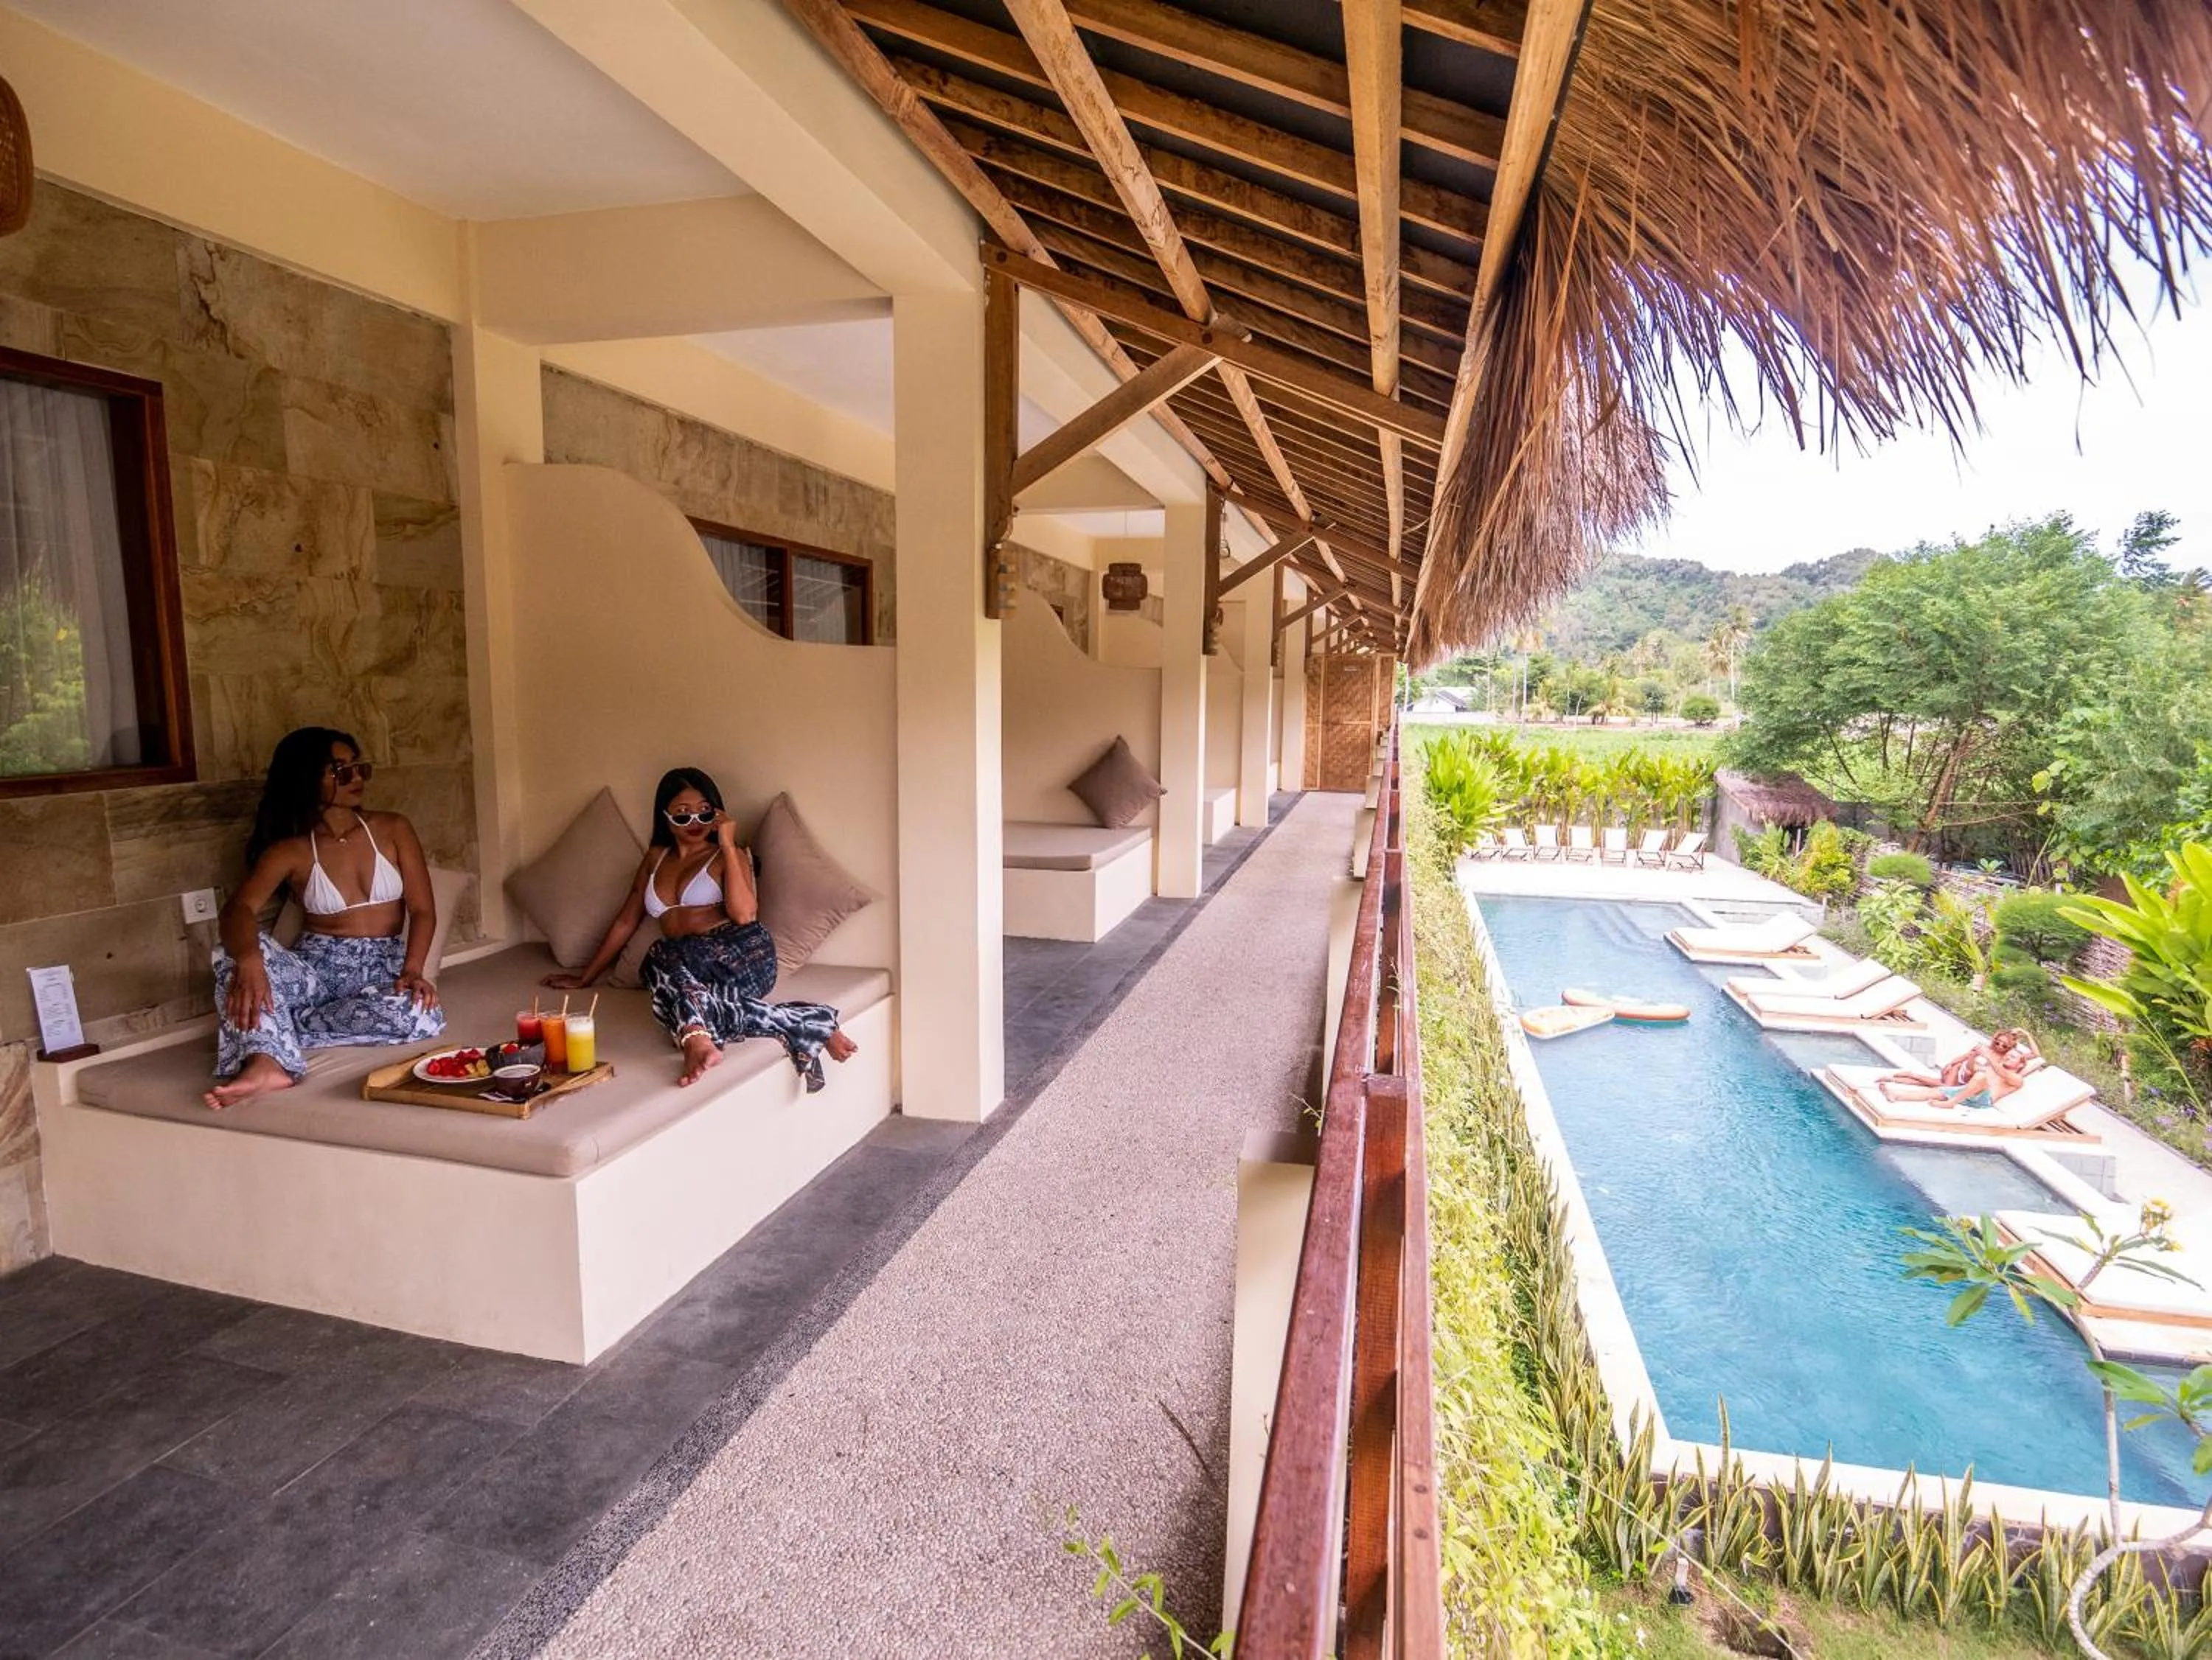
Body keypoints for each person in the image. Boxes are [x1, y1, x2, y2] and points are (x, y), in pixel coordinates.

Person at [544, 767, 859, 1090]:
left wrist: (727, 844)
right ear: (665, 818)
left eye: (703, 813)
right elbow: (626, 920)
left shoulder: (727, 855)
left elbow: (745, 915)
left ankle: (694, 1037)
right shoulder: (655, 858)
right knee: (684, 986)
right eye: (682, 815)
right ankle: (809, 1021)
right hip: (689, 969)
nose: (694, 822)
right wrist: (586, 976)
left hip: (743, 952)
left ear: (716, 813)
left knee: (659, 955)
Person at [205, 727, 446, 1109]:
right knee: (233, 958)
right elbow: (238, 910)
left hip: (383, 968)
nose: (355, 778)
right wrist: (250, 961)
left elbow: (422, 910)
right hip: (317, 970)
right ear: (305, 777)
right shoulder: (291, 850)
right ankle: (266, 1063)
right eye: (339, 770)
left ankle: (278, 1027)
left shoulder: (393, 828)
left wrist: (414, 970)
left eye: (357, 767)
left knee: (418, 1015)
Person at [1878, 1028, 2032, 1111]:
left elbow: (2000, 1072)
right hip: (1968, 1093)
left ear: (2020, 1065)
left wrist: (1987, 1055)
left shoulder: (2017, 1080)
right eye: (2008, 1055)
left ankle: (1951, 1103)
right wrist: (1972, 1057)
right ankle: (1896, 1095)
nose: (2007, 1056)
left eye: (2012, 1057)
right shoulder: (1991, 1066)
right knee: (1934, 1092)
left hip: (1983, 1101)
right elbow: (1971, 1070)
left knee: (1980, 1077)